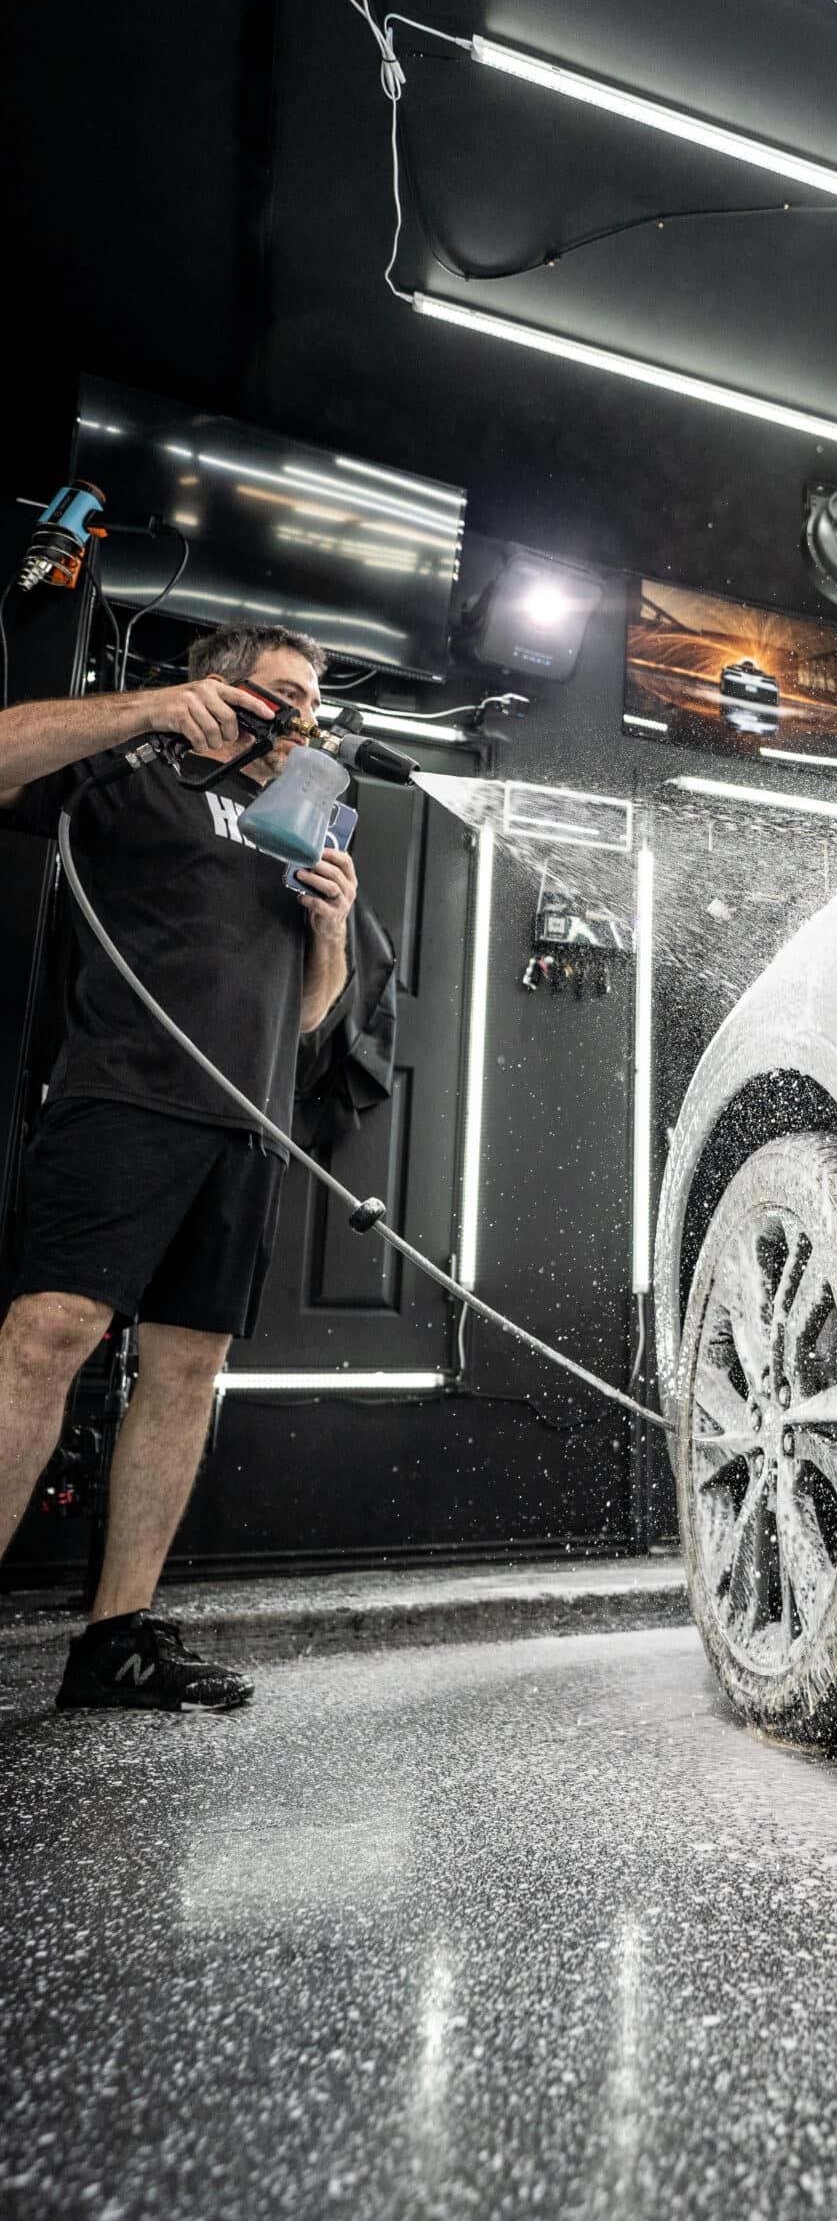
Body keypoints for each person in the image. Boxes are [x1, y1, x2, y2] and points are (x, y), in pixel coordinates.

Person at [0, 622, 358, 1710]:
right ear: (220, 685)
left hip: (245, 1123)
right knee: (48, 1336)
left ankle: (116, 1641)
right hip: (121, 1094)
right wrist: (153, 708)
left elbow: (303, 1018)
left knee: (188, 1370)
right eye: (282, 692)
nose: (302, 716)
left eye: (313, 702)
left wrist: (334, 934)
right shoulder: (130, 775)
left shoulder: (306, 818)